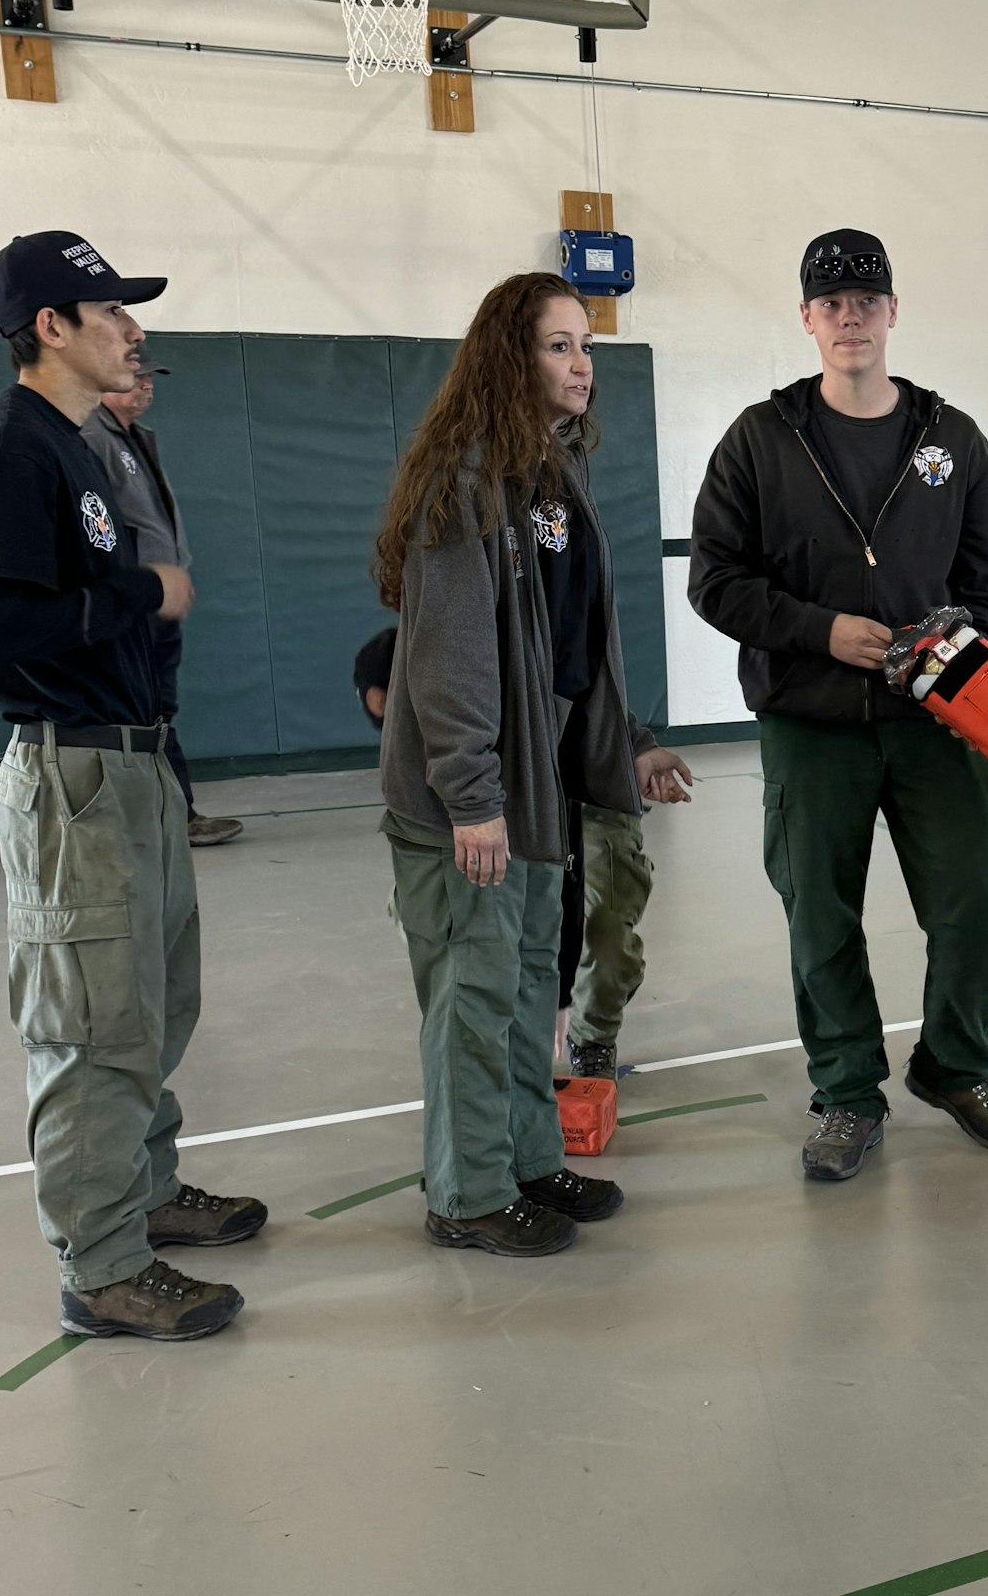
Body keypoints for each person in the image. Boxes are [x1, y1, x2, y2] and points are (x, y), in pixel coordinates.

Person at [0, 230, 265, 1341]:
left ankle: (144, 1192)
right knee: (93, 1026)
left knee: (156, 1000)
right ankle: (100, 1263)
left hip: (132, 759)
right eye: (111, 311)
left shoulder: (77, 442)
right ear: (52, 327)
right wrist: (139, 591)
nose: (131, 328)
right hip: (72, 767)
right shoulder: (14, 448)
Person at [689, 229, 988, 1183]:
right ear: (805, 319)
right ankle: (846, 1093)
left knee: (981, 904)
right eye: (830, 303)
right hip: (810, 724)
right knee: (821, 919)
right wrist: (818, 630)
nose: (850, 318)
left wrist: (955, 650)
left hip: (939, 725)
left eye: (866, 300)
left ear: (893, 311)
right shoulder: (760, 440)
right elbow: (714, 583)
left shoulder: (953, 440)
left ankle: (955, 1068)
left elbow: (987, 592)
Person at [374, 272, 692, 1257]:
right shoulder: (462, 479)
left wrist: (626, 741)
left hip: (540, 783)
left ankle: (526, 1155)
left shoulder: (555, 475)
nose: (582, 363)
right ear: (511, 357)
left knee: (523, 989)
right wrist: (473, 796)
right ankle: (467, 1192)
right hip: (470, 795)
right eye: (559, 345)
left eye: (586, 344)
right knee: (473, 995)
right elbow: (451, 654)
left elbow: (576, 640)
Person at [353, 625, 662, 1081]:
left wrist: (637, 746)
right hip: (502, 797)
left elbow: (592, 679)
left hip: (585, 789)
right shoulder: (412, 654)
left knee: (605, 933)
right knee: (446, 922)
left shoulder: (523, 612)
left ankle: (592, 1039)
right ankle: (501, 1041)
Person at [80, 346, 243, 847]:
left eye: (151, 377)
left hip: (155, 603)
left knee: (157, 710)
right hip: (136, 604)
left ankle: (173, 814)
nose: (147, 384)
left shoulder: (132, 439)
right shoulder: (93, 439)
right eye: (138, 374)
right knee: (143, 711)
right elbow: (98, 527)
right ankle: (168, 818)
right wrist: (140, 586)